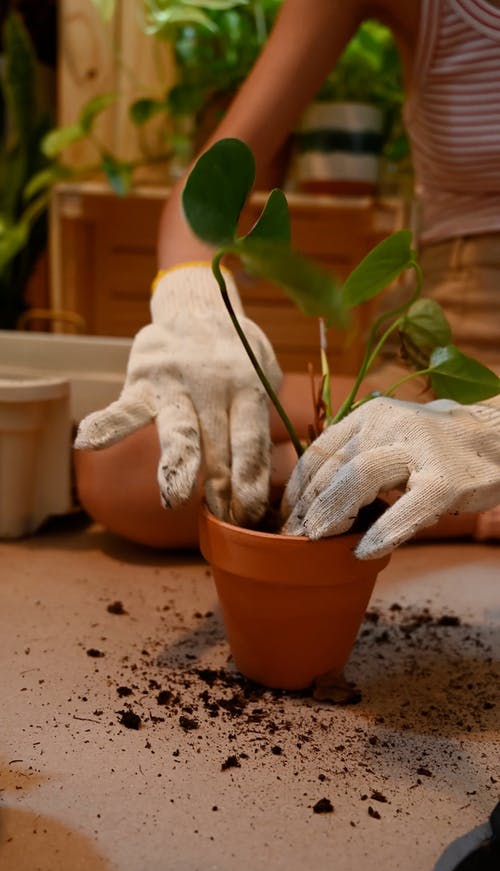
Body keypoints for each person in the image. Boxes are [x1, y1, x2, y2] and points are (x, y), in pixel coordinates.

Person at [73, 0, 500, 554]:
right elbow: (204, 192)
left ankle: (450, 494)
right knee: (124, 463)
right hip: (443, 372)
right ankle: (425, 486)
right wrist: (195, 307)